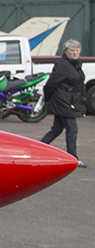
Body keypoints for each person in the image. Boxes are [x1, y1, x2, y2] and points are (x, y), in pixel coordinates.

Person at [40, 39, 87, 167]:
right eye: (72, 50)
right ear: (66, 51)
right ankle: (73, 158)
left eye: (77, 50)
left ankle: (38, 149)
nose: (75, 52)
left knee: (56, 129)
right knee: (72, 129)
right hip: (63, 102)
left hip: (69, 102)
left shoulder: (75, 64)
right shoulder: (62, 64)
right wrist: (47, 98)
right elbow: (51, 84)